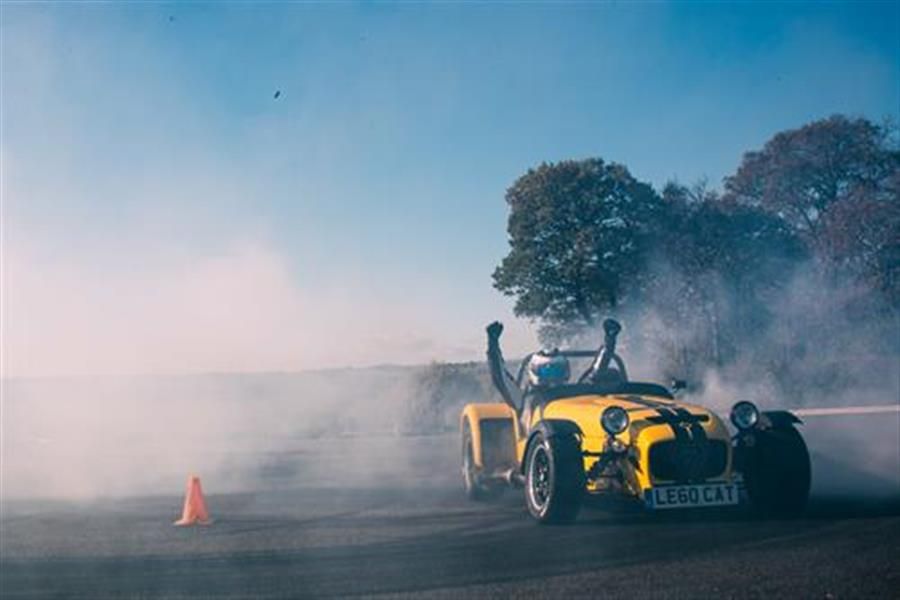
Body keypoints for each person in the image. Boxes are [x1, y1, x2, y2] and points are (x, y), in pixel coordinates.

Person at [485, 322, 571, 424]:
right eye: (545, 371)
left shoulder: (574, 394)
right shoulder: (522, 399)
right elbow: (500, 377)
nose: (551, 378)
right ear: (534, 371)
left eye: (557, 371)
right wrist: (493, 344)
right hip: (534, 438)